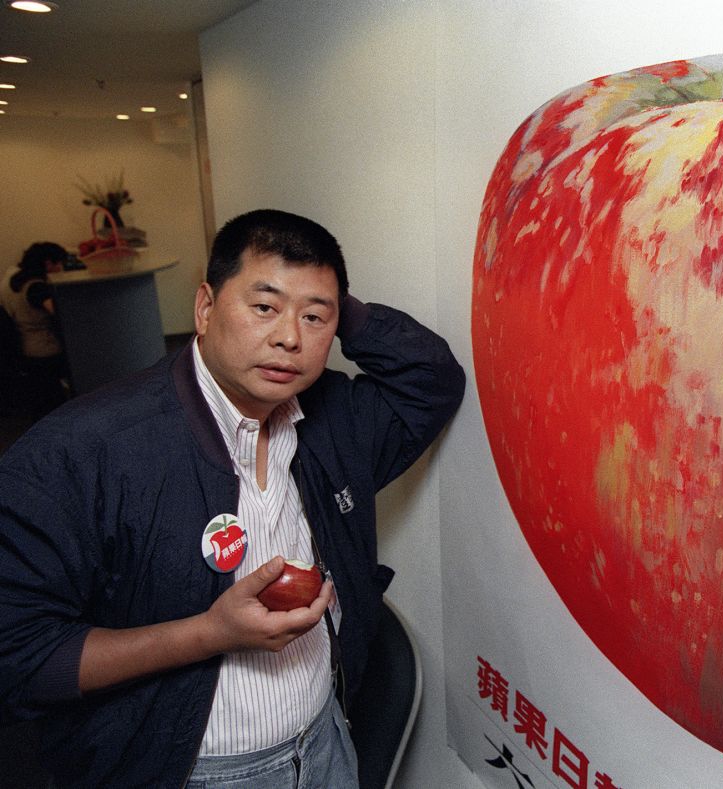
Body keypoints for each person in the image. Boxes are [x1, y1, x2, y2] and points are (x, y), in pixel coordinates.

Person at [0, 210, 466, 787]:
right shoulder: (84, 451)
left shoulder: (333, 419)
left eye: (315, 317)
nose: (289, 337)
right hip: (183, 770)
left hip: (324, 744)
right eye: (264, 307)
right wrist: (211, 633)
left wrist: (344, 310)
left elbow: (432, 381)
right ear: (204, 308)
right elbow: (19, 656)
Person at [0, 242, 70, 413]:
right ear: (48, 263)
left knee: (43, 401)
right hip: (45, 350)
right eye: (59, 263)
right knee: (55, 399)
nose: (61, 268)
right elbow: (60, 314)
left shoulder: (13, 279)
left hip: (26, 348)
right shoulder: (36, 287)